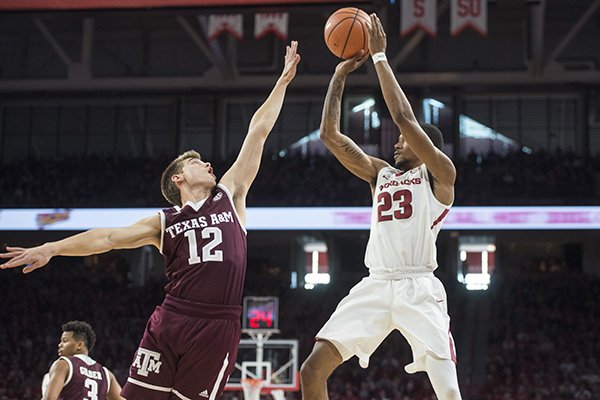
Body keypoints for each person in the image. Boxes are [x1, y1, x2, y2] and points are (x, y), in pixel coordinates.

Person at [1, 41, 301, 400]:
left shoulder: (230, 195)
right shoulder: (165, 221)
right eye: (196, 162)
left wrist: (282, 82)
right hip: (172, 318)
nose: (208, 165)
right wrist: (52, 247)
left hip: (217, 324)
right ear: (178, 179)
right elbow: (109, 237)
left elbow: (258, 130)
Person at [299, 15, 461, 400]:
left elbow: (404, 117)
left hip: (419, 287)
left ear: (425, 147)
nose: (396, 143)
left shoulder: (440, 175)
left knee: (449, 392)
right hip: (375, 282)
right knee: (311, 370)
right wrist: (339, 75)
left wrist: (380, 58)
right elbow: (329, 136)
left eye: (404, 141)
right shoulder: (380, 175)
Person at [41, 320, 124, 400]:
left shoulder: (63, 365)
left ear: (79, 345)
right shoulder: (107, 374)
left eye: (64, 341)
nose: (60, 345)